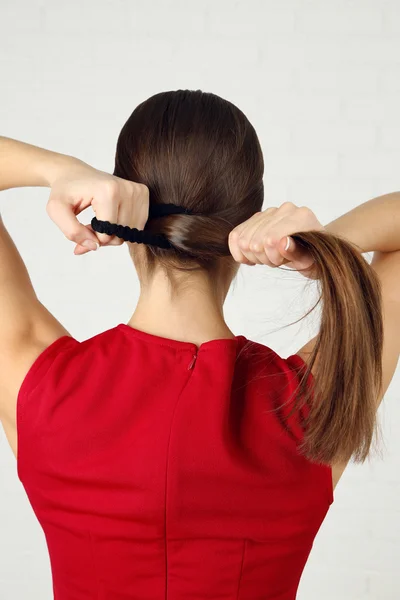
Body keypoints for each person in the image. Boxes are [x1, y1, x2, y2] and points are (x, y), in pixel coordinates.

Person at [0, 89, 398, 599]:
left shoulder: (41, 389)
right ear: (249, 218)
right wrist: (324, 243)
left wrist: (60, 170)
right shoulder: (311, 408)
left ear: (125, 207)